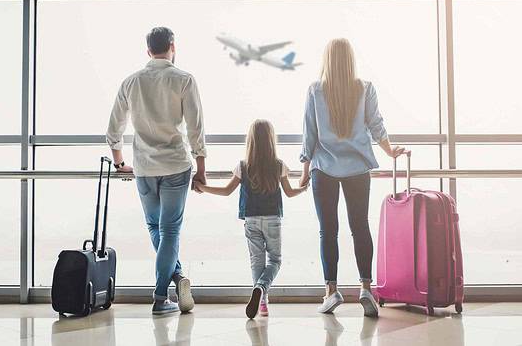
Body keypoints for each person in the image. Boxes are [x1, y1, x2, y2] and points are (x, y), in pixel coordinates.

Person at [299, 38, 404, 317]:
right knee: (360, 227)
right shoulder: (365, 88)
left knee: (328, 231)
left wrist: (304, 170)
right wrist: (390, 151)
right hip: (357, 168)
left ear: (328, 59)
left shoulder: (315, 90)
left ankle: (331, 292)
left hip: (324, 169)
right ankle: (366, 288)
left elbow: (309, 134)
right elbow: (376, 124)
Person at [106, 27, 207, 315]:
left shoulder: (131, 82)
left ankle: (174, 278)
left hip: (145, 168)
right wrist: (201, 168)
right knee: (170, 229)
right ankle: (161, 295)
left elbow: (114, 130)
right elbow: (195, 128)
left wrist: (119, 163)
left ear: (148, 50)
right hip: (176, 165)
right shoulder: (184, 79)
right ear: (173, 46)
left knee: (156, 227)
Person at [194, 119, 307, 319]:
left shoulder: (243, 166)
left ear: (251, 141)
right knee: (275, 260)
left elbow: (227, 191)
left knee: (257, 261)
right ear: (271, 140)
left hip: (251, 219)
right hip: (272, 219)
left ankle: (262, 302)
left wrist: (202, 187)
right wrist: (304, 187)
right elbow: (289, 193)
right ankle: (262, 289)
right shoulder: (279, 165)